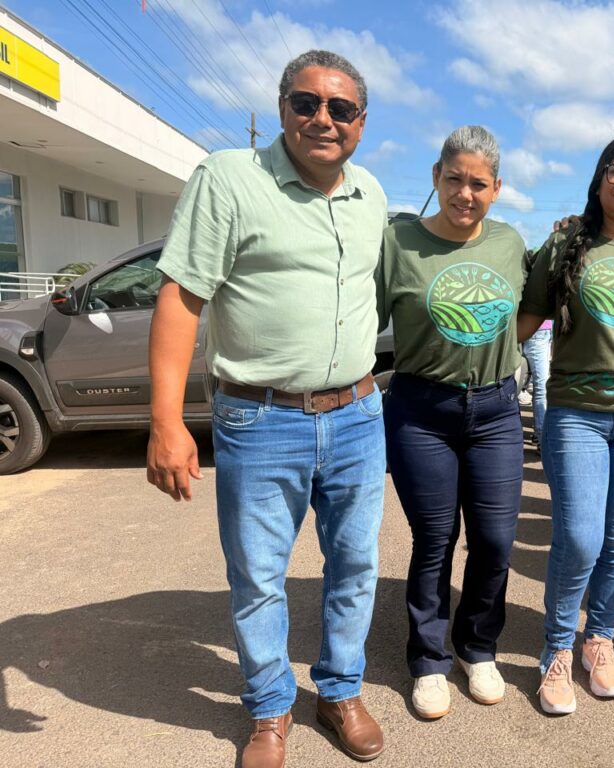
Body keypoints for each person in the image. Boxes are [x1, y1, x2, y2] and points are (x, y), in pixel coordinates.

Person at [147, 50, 387, 766]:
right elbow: (181, 298)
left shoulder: (370, 193)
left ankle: (339, 690)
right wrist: (166, 422)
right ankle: (270, 707)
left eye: (341, 109)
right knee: (258, 576)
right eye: (306, 102)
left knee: (354, 566)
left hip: (357, 414)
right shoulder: (229, 179)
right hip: (259, 419)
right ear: (282, 108)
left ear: (361, 123)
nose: (323, 118)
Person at [518, 133, 614, 715]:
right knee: (580, 537)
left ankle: (599, 640)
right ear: (599, 176)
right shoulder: (564, 241)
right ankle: (556, 649)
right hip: (575, 412)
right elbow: (525, 319)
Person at [376, 126, 528, 720]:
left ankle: (479, 646)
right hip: (421, 411)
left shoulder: (511, 243)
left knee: (494, 541)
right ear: (436, 177)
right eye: (455, 179)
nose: (466, 193)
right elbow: (356, 312)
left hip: (494, 411)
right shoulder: (398, 242)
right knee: (435, 540)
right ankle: (430, 659)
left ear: (497, 189)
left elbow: (533, 309)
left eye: (479, 184)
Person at [521, 319, 553, 445]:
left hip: (532, 329)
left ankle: (538, 436)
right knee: (541, 388)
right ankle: (541, 439)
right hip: (539, 330)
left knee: (538, 387)